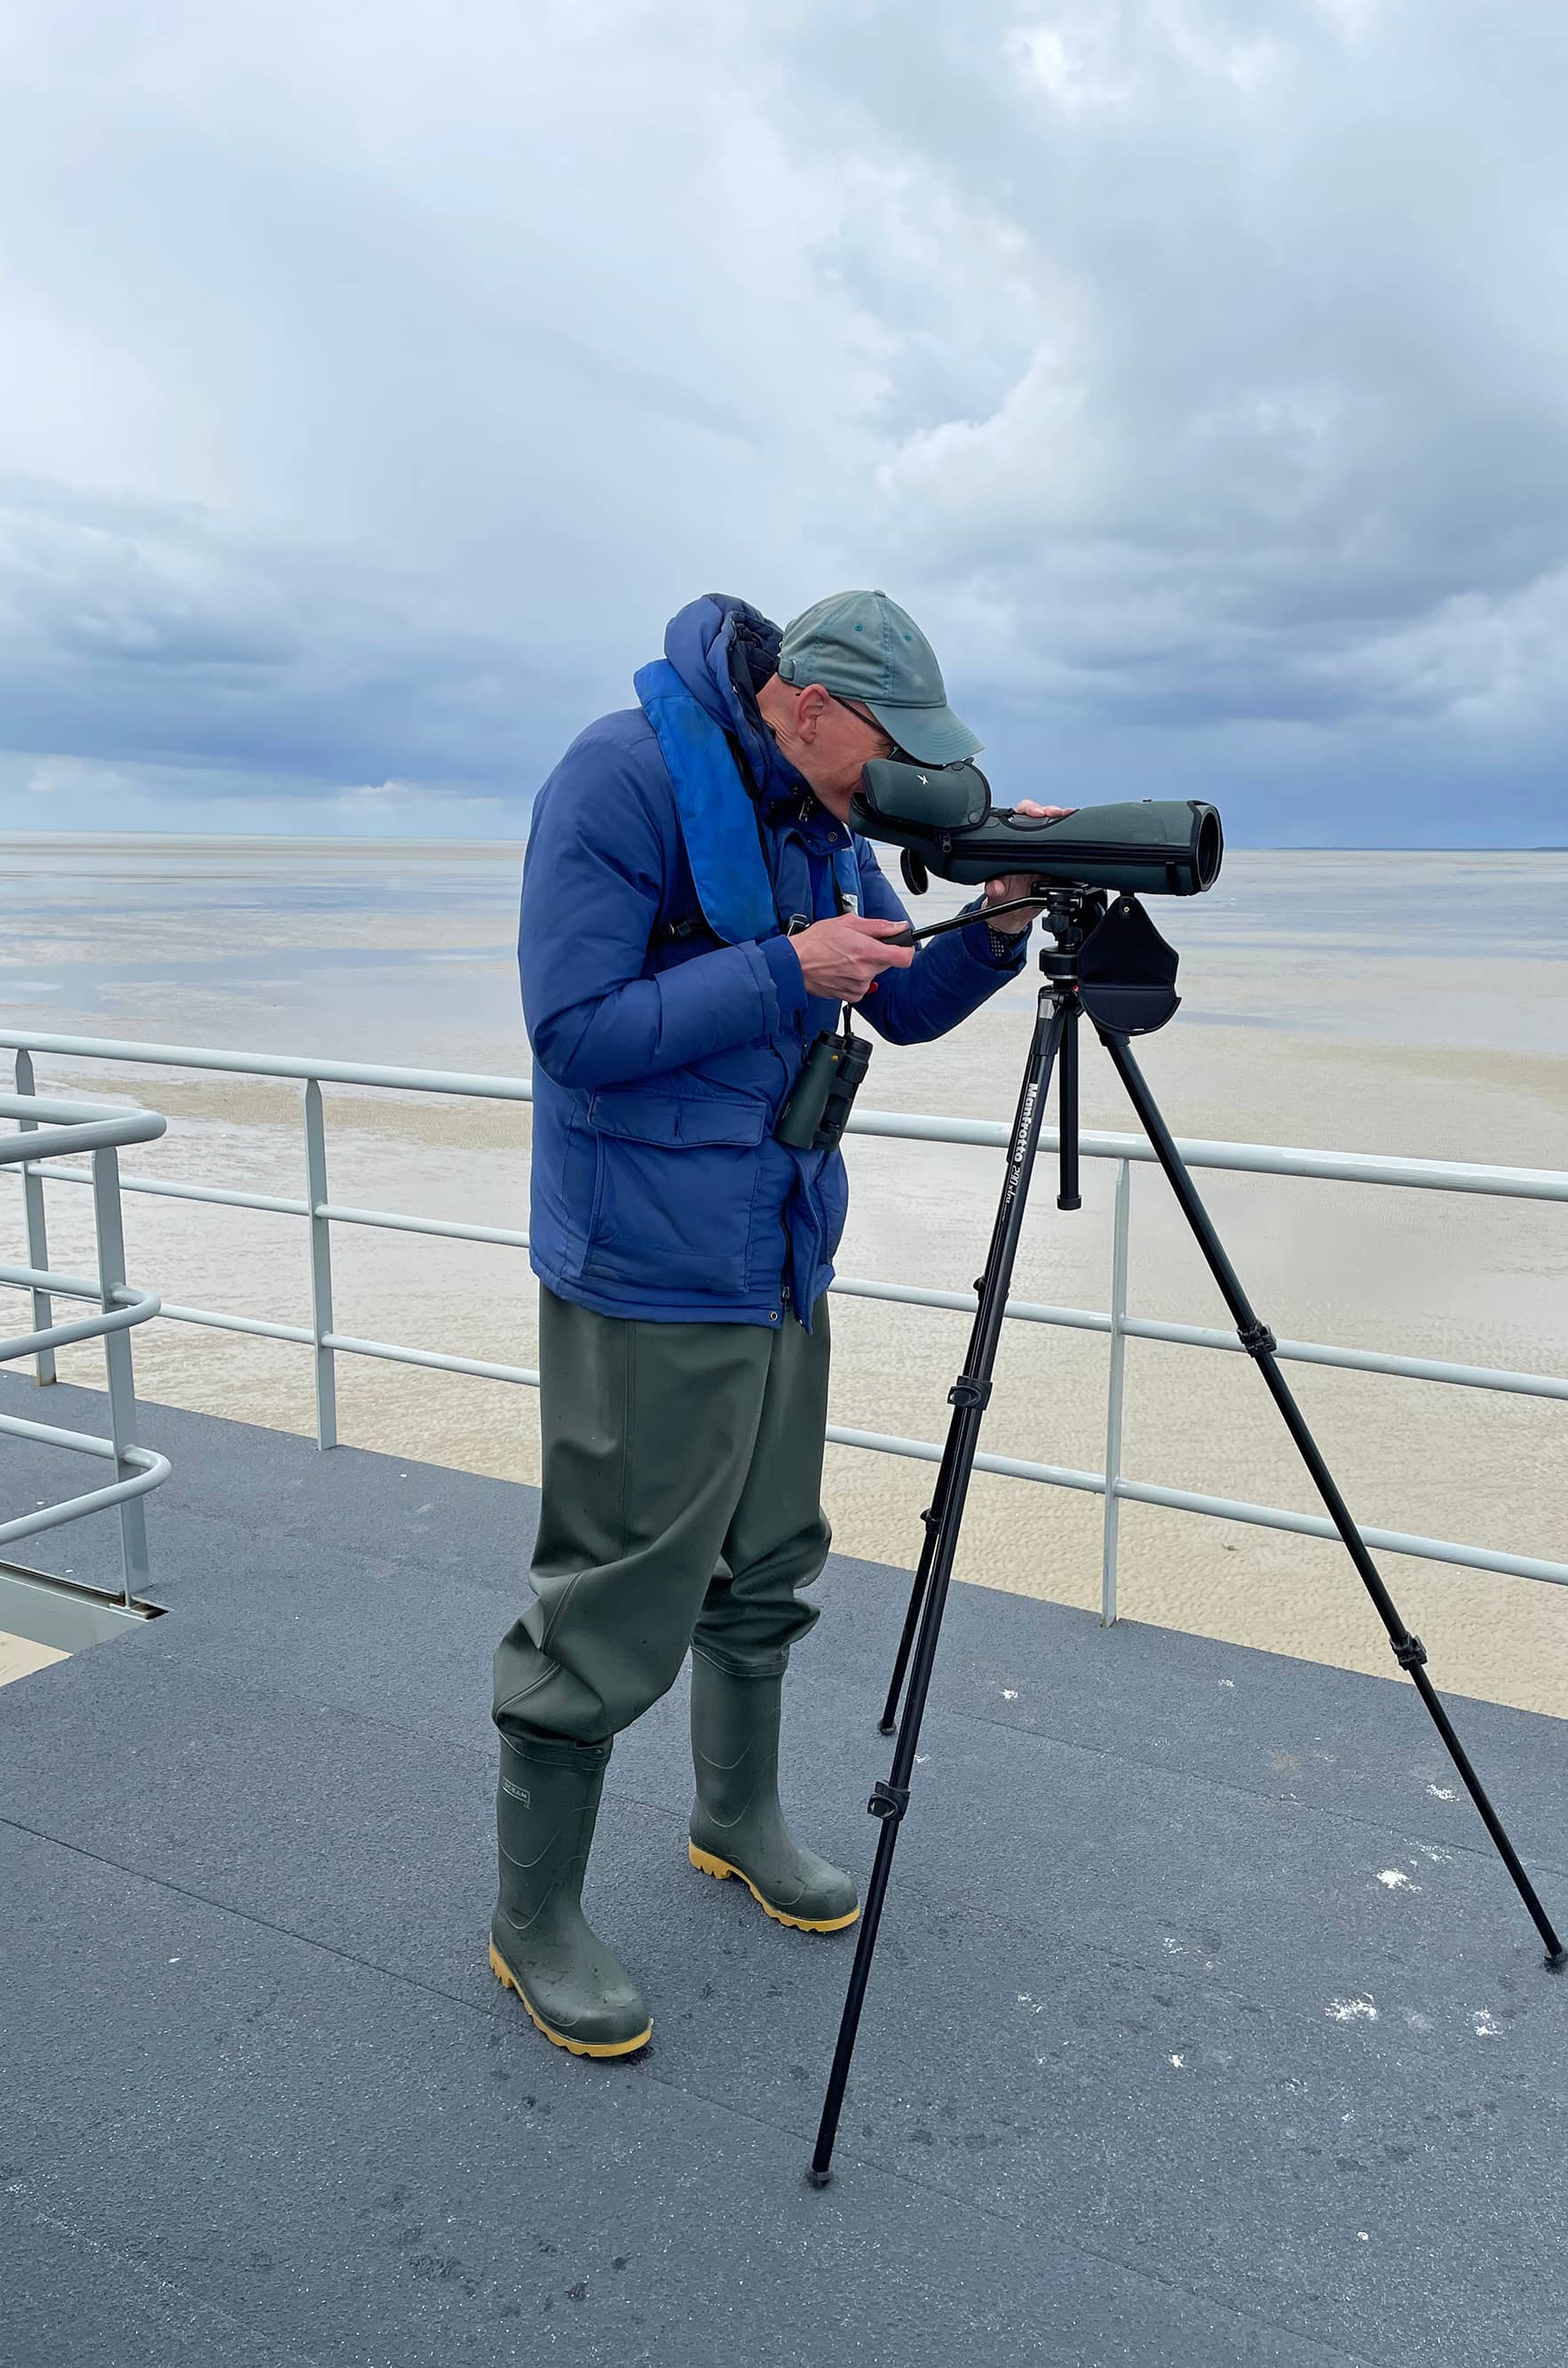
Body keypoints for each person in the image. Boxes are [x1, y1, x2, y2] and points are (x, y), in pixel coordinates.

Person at [489, 589, 1058, 2057]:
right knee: (612, 1598)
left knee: (769, 1558)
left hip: (779, 1250)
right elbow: (573, 1034)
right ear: (804, 702)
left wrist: (993, 929)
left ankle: (734, 1818)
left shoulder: (818, 815)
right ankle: (532, 1916)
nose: (893, 779)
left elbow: (899, 1006)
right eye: (883, 746)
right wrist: (779, 972)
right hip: (646, 1268)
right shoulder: (620, 779)